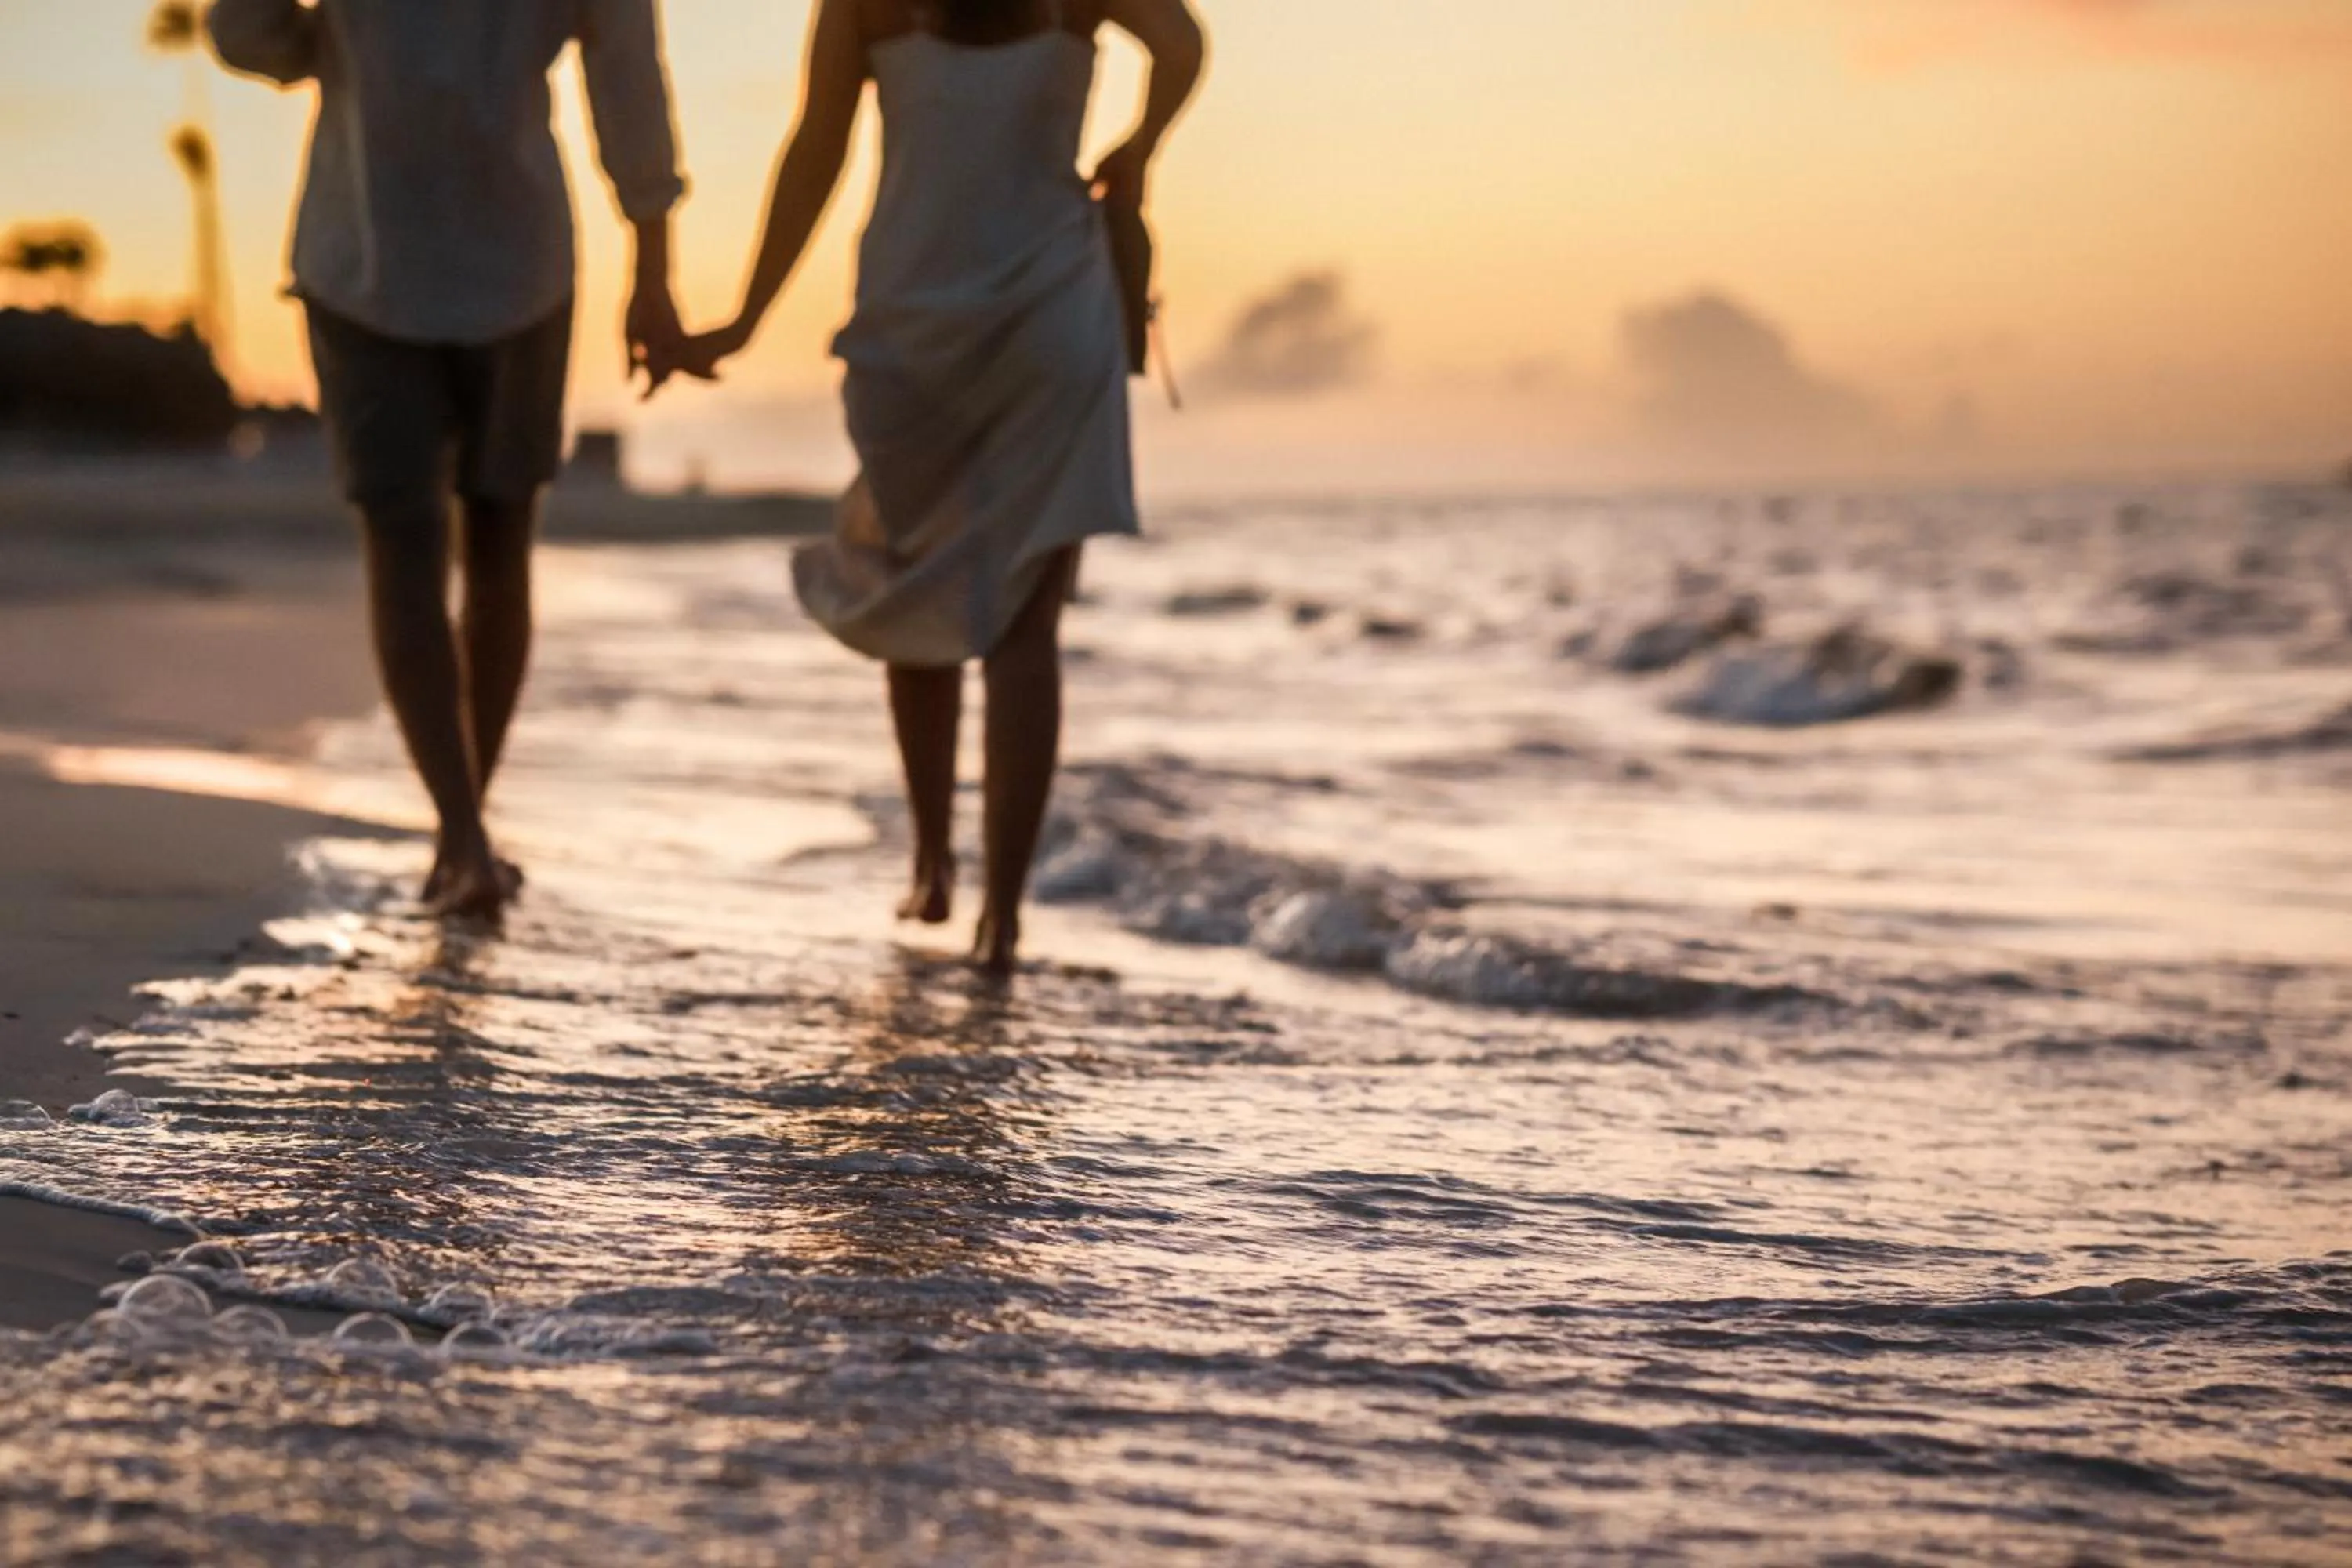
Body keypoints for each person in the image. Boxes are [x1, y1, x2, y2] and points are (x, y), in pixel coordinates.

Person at [667, 0, 1206, 973]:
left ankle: (931, 860)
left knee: (916, 583)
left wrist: (744, 318)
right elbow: (1180, 43)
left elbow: (816, 151)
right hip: (1051, 312)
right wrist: (1139, 144)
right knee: (1027, 630)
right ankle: (1003, 917)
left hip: (911, 319)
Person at [208, 0, 689, 919]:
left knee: (405, 548)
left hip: (367, 252)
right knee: (499, 545)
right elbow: (627, 71)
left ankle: (461, 832)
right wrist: (653, 264)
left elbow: (244, 34)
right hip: (513, 260)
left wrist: (317, 44)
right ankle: (463, 832)